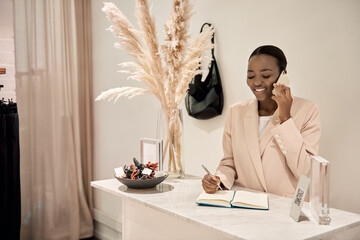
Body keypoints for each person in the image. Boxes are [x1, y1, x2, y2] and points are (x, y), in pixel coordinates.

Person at [202, 45, 321, 198]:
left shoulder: (307, 110)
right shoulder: (236, 112)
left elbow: (307, 172)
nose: (257, 82)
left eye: (265, 76)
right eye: (251, 76)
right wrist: (218, 180)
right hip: (244, 204)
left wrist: (285, 118)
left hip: (283, 208)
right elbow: (229, 162)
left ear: (283, 75)